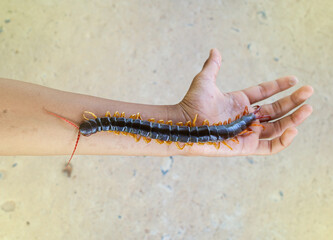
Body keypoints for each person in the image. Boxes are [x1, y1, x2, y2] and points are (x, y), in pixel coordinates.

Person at [0, 49, 313, 158]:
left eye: (97, 124)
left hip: (230, 128)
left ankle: (245, 123)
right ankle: (244, 123)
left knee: (143, 128)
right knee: (141, 128)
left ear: (98, 124)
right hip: (225, 129)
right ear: (98, 122)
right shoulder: (105, 122)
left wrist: (187, 120)